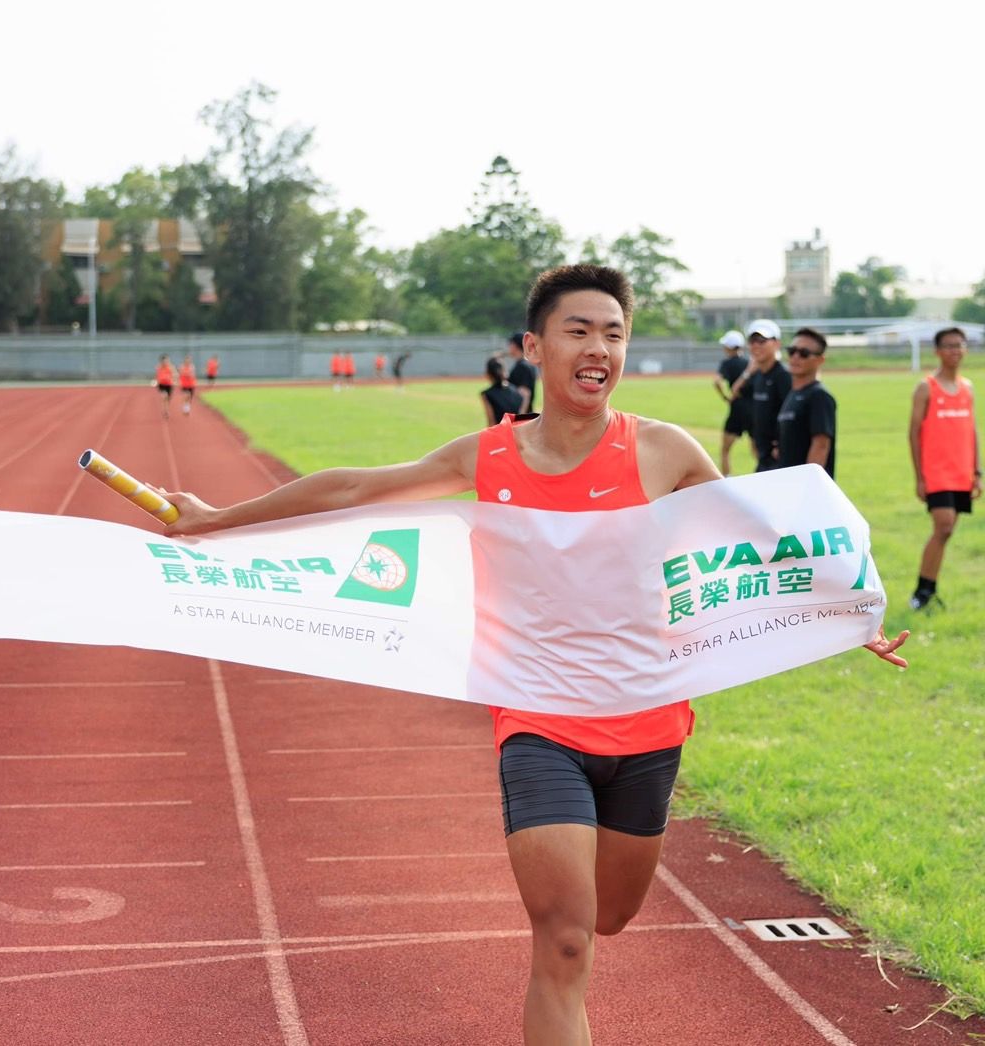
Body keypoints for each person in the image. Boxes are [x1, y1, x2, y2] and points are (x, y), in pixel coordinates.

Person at [154, 264, 909, 1045]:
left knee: (609, 916)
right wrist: (219, 519)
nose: (599, 348)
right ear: (534, 347)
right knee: (567, 937)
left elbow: (758, 544)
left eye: (613, 334)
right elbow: (354, 490)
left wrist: (850, 612)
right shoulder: (489, 458)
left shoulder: (664, 452)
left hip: (649, 723)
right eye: (579, 331)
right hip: (539, 722)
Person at [908, 327, 981, 610]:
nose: (955, 350)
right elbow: (913, 432)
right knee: (944, 526)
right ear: (937, 351)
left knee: (947, 532)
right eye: (948, 346)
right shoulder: (926, 387)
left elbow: (971, 430)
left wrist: (977, 471)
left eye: (959, 345)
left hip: (962, 472)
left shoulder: (968, 387)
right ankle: (920, 593)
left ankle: (929, 589)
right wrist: (919, 477)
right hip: (936, 473)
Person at [731, 319, 792, 472]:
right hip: (762, 454)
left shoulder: (783, 376)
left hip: (779, 457)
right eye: (752, 341)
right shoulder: (757, 375)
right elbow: (735, 391)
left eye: (762, 341)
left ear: (777, 343)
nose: (756, 346)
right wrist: (748, 372)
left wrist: (781, 445)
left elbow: (792, 415)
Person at [774, 327, 836, 477]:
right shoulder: (793, 394)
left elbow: (821, 445)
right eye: (792, 351)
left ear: (820, 360)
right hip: (789, 485)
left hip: (806, 490)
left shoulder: (818, 396)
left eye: (804, 353)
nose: (795, 357)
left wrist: (807, 485)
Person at [712, 330, 750, 476]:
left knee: (725, 449)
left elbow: (716, 381)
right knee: (757, 448)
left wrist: (725, 397)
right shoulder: (749, 363)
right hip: (754, 408)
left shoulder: (727, 363)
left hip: (737, 407)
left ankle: (727, 478)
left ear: (729, 347)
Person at [482, 356, 520, 425]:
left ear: (488, 374)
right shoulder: (516, 390)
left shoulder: (487, 394)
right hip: (518, 431)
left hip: (501, 433)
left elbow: (491, 422)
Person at [507, 331, 539, 413]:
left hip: (522, 414)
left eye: (510, 344)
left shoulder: (522, 367)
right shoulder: (528, 364)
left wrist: (520, 415)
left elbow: (525, 393)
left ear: (515, 345)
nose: (508, 347)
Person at [153, 355, 175, 420]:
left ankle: (166, 409)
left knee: (168, 399)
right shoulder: (159, 368)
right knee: (164, 396)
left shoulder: (171, 367)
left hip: (169, 385)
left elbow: (174, 374)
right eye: (164, 361)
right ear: (161, 361)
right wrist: (156, 382)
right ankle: (166, 411)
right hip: (162, 385)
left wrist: (174, 379)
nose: (165, 362)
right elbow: (156, 375)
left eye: (167, 361)